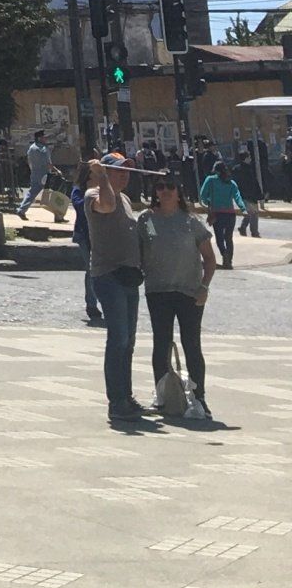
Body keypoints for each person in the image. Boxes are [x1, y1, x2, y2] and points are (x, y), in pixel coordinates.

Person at [139, 169, 216, 418]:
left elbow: (209, 259)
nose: (165, 191)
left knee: (191, 344)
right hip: (158, 290)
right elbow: (141, 250)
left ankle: (198, 398)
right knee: (161, 343)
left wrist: (204, 287)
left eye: (170, 186)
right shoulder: (147, 220)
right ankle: (162, 396)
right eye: (160, 187)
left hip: (189, 292)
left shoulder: (191, 221)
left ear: (179, 192)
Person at [85, 155, 151, 426]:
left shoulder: (124, 198)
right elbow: (107, 205)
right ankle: (116, 401)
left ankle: (126, 395)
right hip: (108, 275)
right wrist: (100, 176)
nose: (125, 176)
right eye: (118, 171)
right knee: (119, 338)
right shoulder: (94, 194)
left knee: (129, 341)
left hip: (129, 276)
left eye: (127, 171)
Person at [198, 158, 244, 269]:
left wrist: (208, 202)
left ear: (215, 170)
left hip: (217, 213)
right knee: (229, 238)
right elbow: (237, 196)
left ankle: (224, 255)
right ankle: (229, 261)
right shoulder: (231, 182)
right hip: (230, 214)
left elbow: (202, 196)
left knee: (219, 238)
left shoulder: (210, 180)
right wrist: (243, 208)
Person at [70, 173, 103, 324]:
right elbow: (80, 207)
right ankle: (91, 304)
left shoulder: (104, 190)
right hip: (84, 235)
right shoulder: (78, 190)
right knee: (91, 270)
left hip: (100, 235)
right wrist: (92, 197)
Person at [19, 132, 53, 215]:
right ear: (39, 138)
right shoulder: (44, 149)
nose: (45, 139)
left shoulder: (31, 148)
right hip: (44, 175)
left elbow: (29, 161)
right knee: (55, 194)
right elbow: (48, 163)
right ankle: (58, 214)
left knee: (32, 192)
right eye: (44, 137)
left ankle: (22, 209)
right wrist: (56, 170)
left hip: (34, 173)